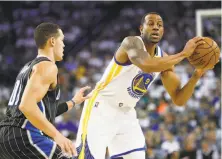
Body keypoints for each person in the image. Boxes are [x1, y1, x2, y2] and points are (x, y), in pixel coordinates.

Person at [76, 12, 212, 159]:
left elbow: (179, 99)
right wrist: (184, 54)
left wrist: (196, 76)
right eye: (151, 24)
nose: (155, 27)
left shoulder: (164, 59)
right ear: (141, 28)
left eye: (159, 25)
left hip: (126, 113)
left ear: (163, 31)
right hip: (101, 107)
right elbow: (147, 65)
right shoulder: (131, 42)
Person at [0, 22, 91, 159]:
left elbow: (44, 111)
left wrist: (73, 102)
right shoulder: (48, 66)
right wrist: (57, 135)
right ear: (53, 41)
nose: (64, 45)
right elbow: (26, 106)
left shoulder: (29, 67)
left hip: (6, 136)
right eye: (62, 40)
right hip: (25, 135)